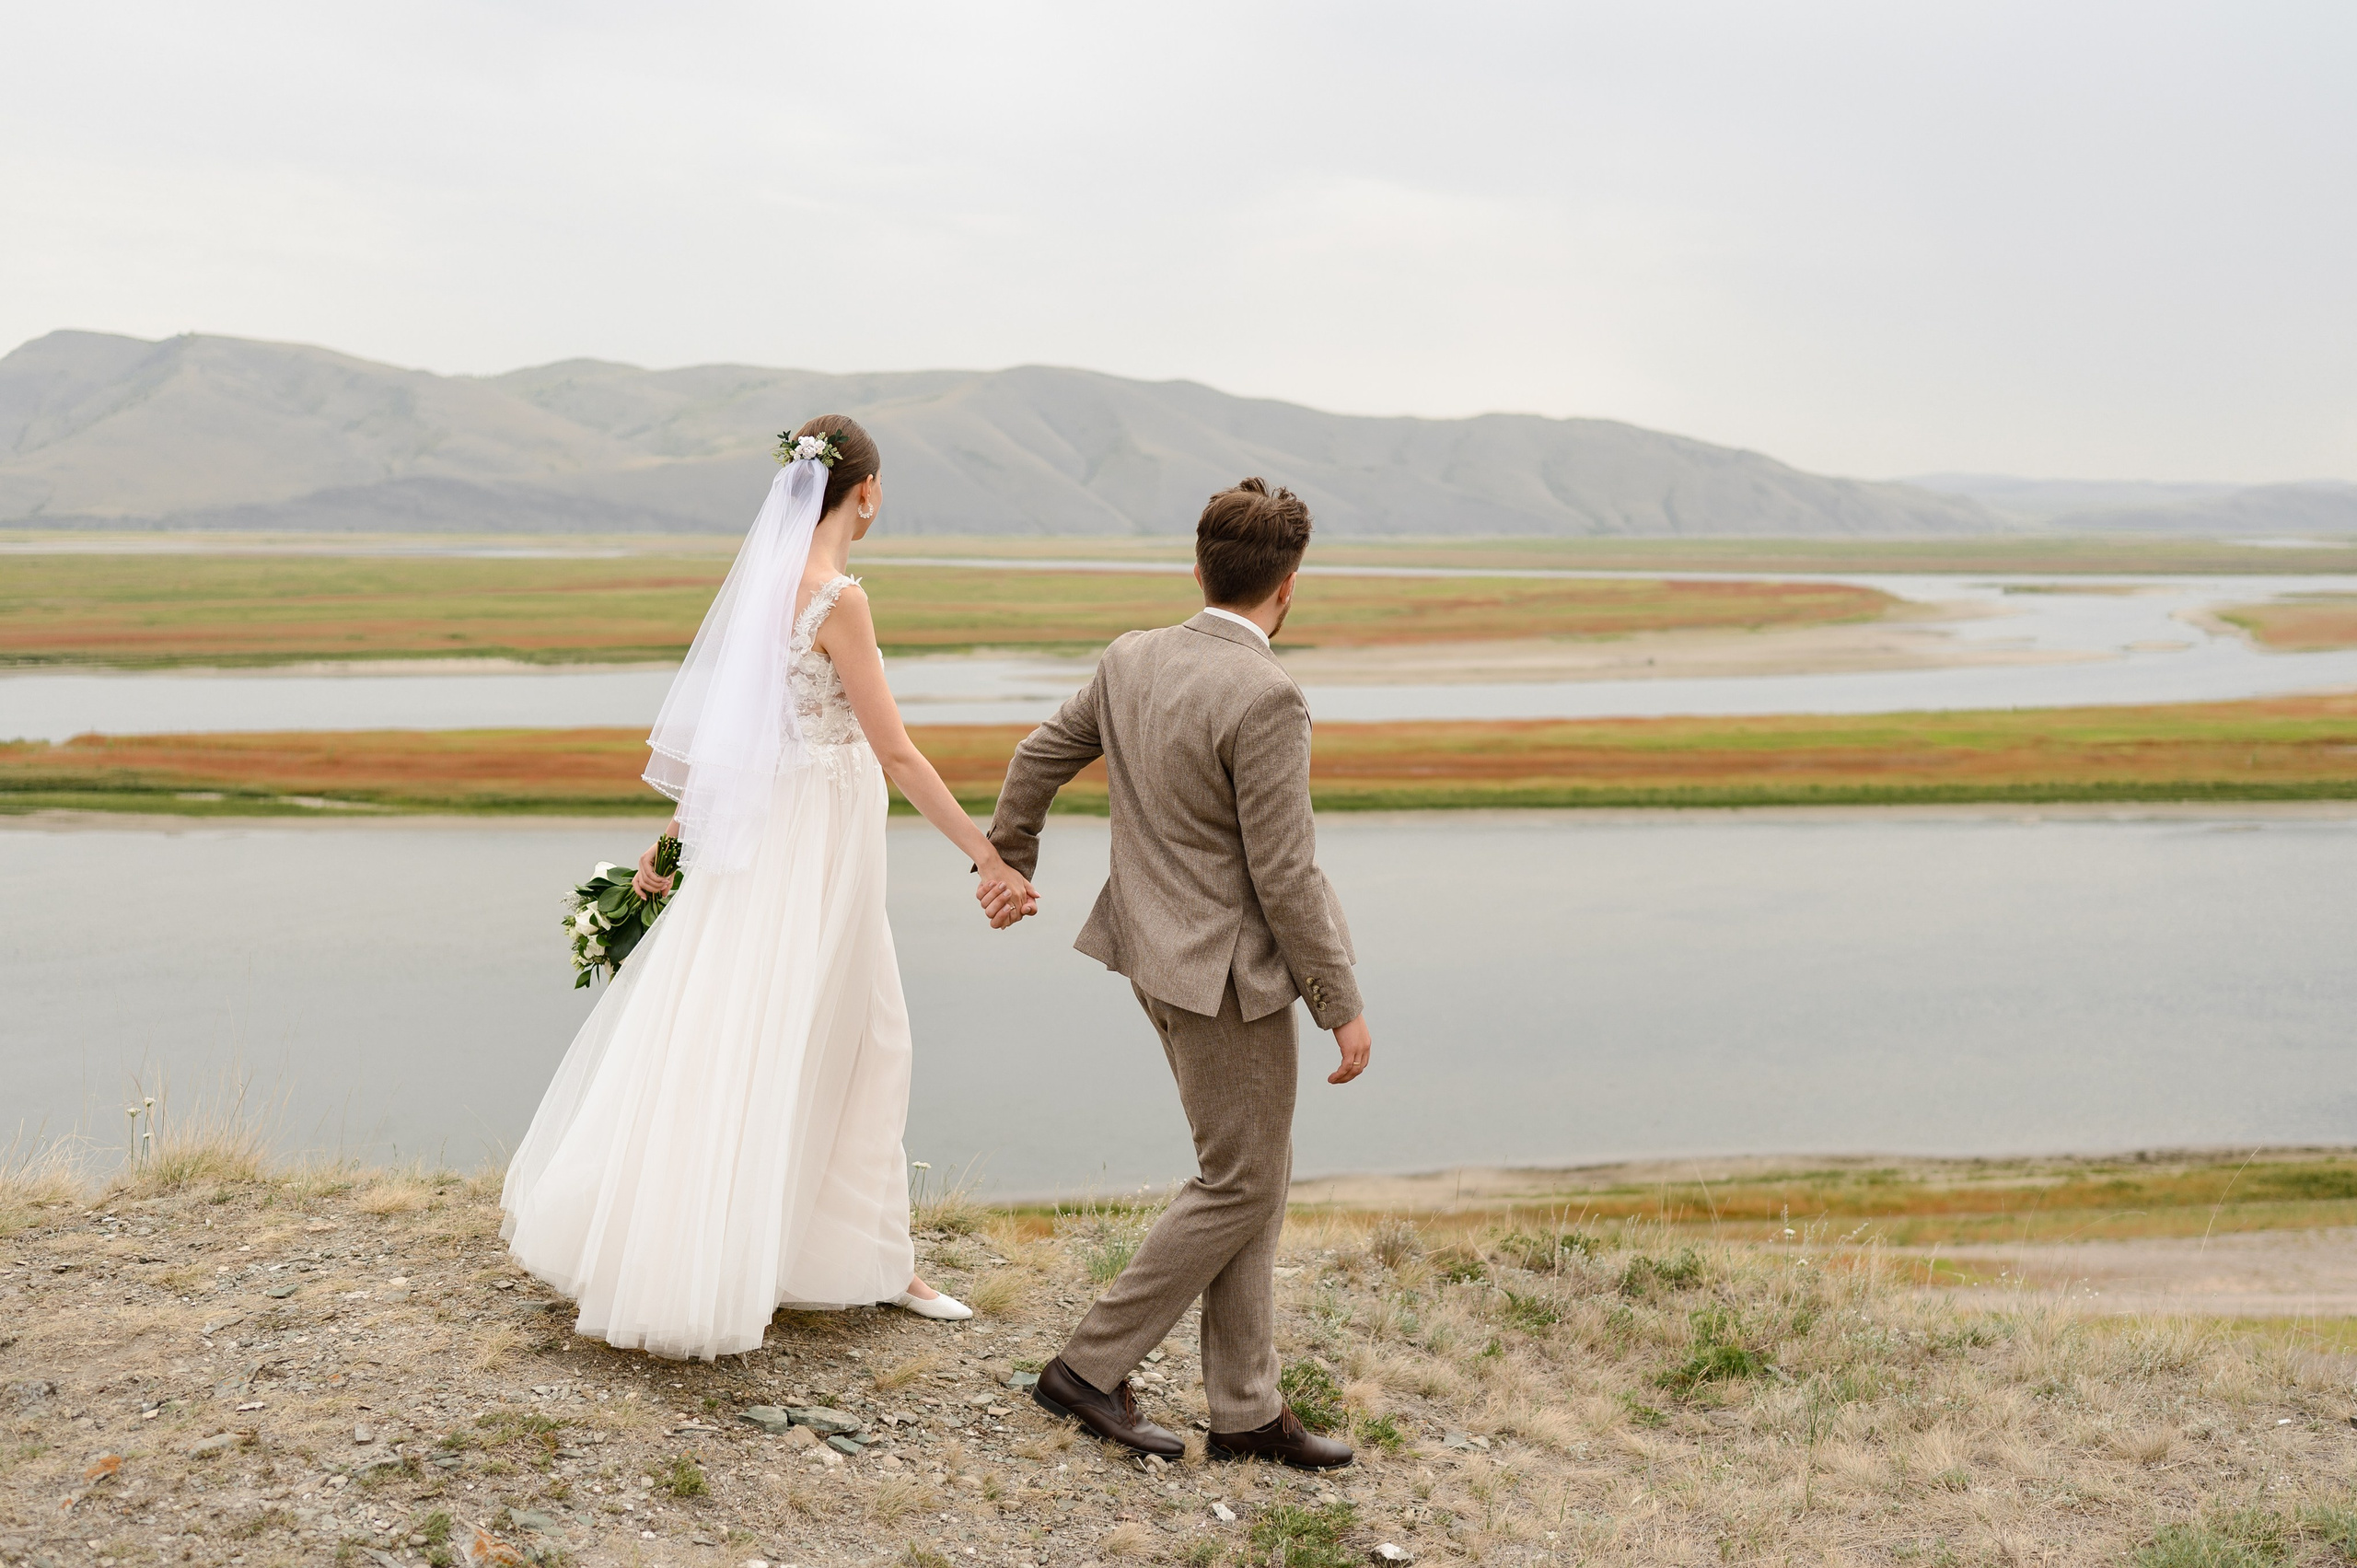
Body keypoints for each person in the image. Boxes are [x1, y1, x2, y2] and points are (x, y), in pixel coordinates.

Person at [499, 414, 1039, 1361]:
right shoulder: (839, 598)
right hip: (816, 839)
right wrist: (986, 854)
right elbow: (898, 752)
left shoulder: (762, 594)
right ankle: (842, 1261)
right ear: (863, 491)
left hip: (768, 834)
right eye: (882, 490)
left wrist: (671, 842)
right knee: (856, 1036)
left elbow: (729, 743)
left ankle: (853, 1255)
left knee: (748, 1028)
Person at [978, 478, 1371, 1469]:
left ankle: (1244, 1408)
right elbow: (1285, 874)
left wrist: (1011, 856)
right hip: (1224, 979)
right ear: (1290, 585)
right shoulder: (1269, 695)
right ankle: (1085, 1365)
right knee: (1238, 1179)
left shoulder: (1131, 656)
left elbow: (1037, 754)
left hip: (1148, 956)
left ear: (1197, 569)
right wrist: (1342, 1003)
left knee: (1252, 1174)